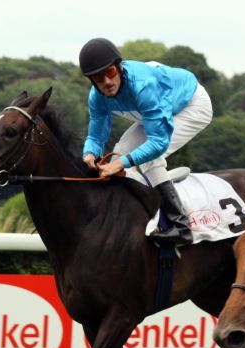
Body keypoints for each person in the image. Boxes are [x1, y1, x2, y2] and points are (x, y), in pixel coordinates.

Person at [79, 37, 213, 245]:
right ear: (91, 80)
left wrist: (120, 164)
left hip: (191, 106)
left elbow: (158, 143)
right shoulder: (97, 96)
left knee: (148, 158)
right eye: (97, 77)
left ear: (119, 67)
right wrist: (88, 154)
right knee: (120, 150)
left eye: (110, 73)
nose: (106, 81)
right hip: (153, 111)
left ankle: (180, 225)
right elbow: (96, 135)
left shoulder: (143, 86)